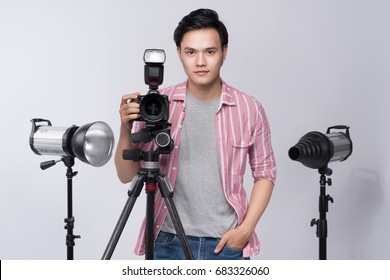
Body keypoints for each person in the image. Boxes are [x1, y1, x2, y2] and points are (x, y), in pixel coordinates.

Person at [115, 8, 276, 260]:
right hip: (168, 240)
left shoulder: (250, 109)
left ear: (224, 52)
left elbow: (265, 173)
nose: (200, 62)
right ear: (179, 53)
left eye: (209, 51)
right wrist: (125, 127)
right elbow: (126, 175)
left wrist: (245, 229)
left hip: (226, 242)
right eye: (191, 52)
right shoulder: (157, 105)